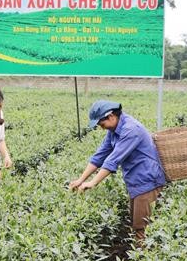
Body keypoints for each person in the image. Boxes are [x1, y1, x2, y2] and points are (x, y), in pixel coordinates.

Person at [69, 100, 166, 243]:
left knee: (141, 228)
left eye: (102, 124)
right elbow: (100, 155)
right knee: (135, 224)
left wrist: (93, 183)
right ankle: (138, 255)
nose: (102, 128)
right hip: (135, 183)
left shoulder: (131, 129)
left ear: (111, 116)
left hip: (147, 182)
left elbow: (113, 160)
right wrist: (81, 179)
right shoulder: (114, 130)